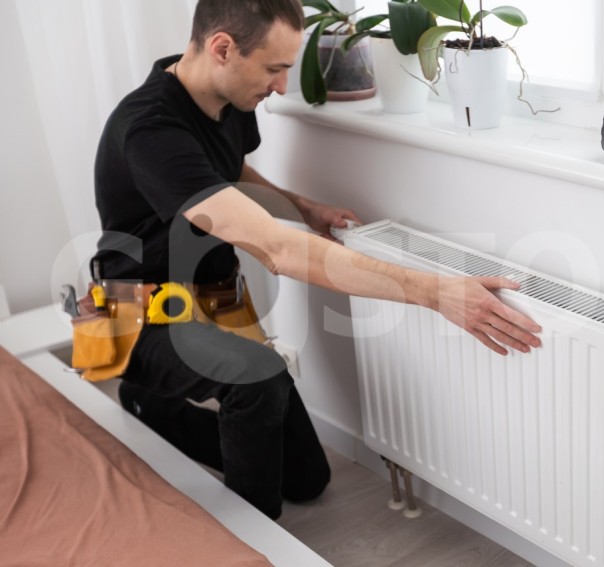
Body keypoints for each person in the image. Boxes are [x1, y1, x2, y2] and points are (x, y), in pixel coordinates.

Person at [90, 0, 541, 520]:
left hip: (213, 296)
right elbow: (277, 251)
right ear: (222, 49)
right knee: (254, 380)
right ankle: (251, 544)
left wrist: (301, 206)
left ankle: (154, 406)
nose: (281, 87)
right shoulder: (150, 130)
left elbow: (226, 171)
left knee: (308, 478)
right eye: (275, 69)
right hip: (140, 311)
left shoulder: (221, 95)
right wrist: (436, 292)